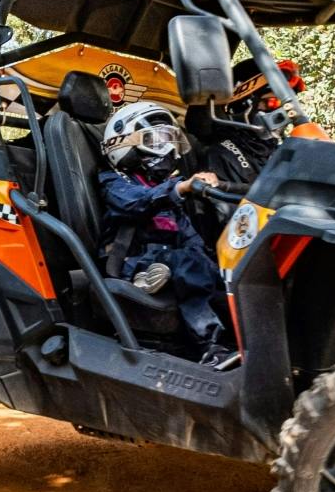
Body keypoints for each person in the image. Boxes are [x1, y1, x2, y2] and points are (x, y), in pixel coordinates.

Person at [98, 101, 239, 370]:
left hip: (169, 257)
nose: (168, 148)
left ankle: (242, 339)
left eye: (171, 139)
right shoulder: (114, 180)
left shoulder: (165, 191)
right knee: (187, 264)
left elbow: (186, 234)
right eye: (159, 139)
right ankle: (210, 347)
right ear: (124, 143)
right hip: (131, 258)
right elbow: (135, 203)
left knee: (211, 270)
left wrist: (212, 264)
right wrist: (180, 186)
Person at [182, 57, 305, 236]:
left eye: (287, 107)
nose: (283, 114)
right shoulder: (220, 155)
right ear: (242, 103)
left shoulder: (280, 155)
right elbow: (237, 230)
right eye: (273, 103)